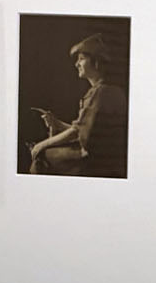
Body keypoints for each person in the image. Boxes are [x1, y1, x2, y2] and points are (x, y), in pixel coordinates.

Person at [27, 32, 128, 176]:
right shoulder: (102, 91)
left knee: (42, 155)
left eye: (81, 59)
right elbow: (83, 131)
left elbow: (77, 133)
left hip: (94, 161)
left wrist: (41, 145)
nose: (76, 64)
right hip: (95, 156)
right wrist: (57, 124)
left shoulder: (103, 93)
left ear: (96, 62)